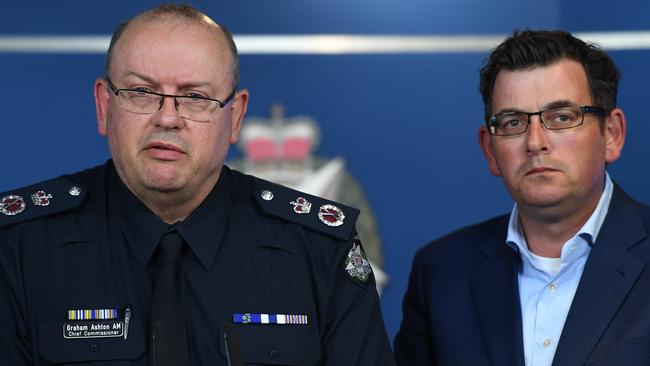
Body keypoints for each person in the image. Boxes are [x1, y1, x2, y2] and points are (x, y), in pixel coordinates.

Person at [0, 4, 394, 365]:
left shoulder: (320, 249)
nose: (167, 118)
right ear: (105, 106)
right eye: (140, 91)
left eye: (194, 96)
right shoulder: (17, 246)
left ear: (235, 116)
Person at [394, 30, 649, 366]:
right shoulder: (441, 273)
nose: (535, 142)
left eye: (561, 117)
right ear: (489, 149)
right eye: (514, 122)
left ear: (611, 135)